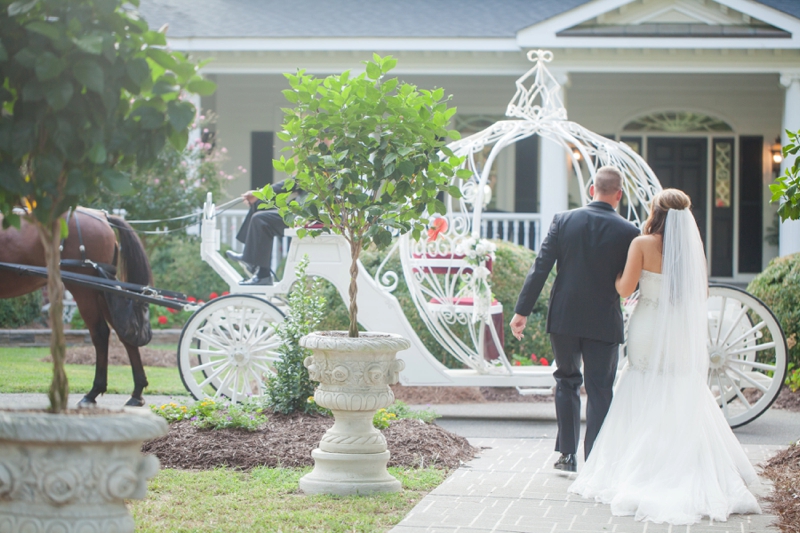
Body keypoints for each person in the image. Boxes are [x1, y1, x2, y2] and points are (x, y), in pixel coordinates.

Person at [567, 189, 761, 525]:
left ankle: (638, 465)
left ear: (656, 212)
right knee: (677, 386)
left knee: (642, 381)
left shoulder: (642, 244)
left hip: (648, 324)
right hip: (676, 332)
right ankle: (682, 464)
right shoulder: (691, 251)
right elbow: (700, 294)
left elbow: (625, 289)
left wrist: (616, 277)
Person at [510, 166, 639, 472]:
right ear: (618, 195)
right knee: (600, 389)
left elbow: (540, 267)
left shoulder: (564, 220)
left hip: (565, 317)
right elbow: (631, 281)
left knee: (567, 382)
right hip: (604, 321)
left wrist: (521, 312)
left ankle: (567, 456)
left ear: (591, 190)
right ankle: (595, 458)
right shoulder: (629, 232)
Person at [226, 180, 292, 286]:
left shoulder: (321, 167)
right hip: (301, 211)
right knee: (260, 202)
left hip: (309, 216)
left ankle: (252, 262)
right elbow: (290, 183)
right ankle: (254, 263)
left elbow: (295, 181)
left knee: (260, 219)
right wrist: (259, 194)